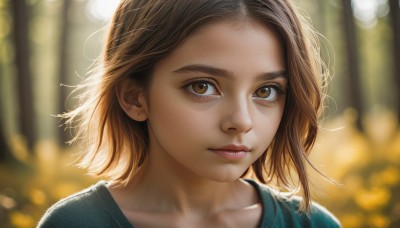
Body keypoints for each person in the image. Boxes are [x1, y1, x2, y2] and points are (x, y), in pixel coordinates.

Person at [38, 0, 341, 227]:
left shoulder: (313, 224)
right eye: (202, 86)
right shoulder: (74, 223)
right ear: (134, 97)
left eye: (266, 91)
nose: (241, 121)